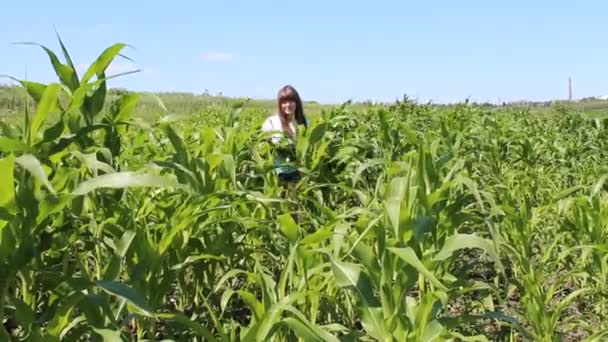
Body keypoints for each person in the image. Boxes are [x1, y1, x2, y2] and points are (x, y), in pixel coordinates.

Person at [261, 85, 308, 185]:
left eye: (291, 101)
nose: (288, 105)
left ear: (297, 103)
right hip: (278, 173)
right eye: (284, 102)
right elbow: (263, 147)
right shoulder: (271, 122)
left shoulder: (304, 123)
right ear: (279, 104)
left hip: (298, 173)